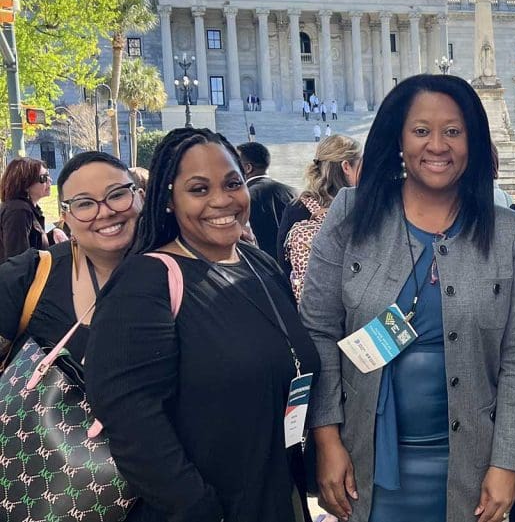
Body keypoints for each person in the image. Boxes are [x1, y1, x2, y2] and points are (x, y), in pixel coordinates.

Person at [300, 73, 515, 522]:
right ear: (399, 138)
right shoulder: (352, 215)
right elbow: (318, 330)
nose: (437, 145)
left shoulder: (508, 232)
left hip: (469, 463)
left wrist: (507, 462)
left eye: (453, 131)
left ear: (472, 142)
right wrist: (327, 440)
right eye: (421, 130)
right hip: (365, 458)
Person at [85, 127, 320, 522]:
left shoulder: (258, 264)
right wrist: (198, 508)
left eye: (233, 183)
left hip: (277, 497)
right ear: (168, 201)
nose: (221, 200)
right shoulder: (145, 284)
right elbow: (134, 425)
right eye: (198, 189)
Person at [0, 151, 143, 365]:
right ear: (66, 217)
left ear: (141, 197)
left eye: (116, 195)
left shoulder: (182, 275)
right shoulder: (27, 276)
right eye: (84, 203)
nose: (104, 212)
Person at [277, 134, 362, 299]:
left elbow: (284, 261)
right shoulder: (360, 207)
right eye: (361, 163)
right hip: (355, 311)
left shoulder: (296, 207)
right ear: (346, 166)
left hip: (311, 307)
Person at [237, 141, 298, 255]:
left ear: (248, 168)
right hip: (291, 266)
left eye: (235, 163)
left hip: (260, 264)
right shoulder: (293, 192)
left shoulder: (242, 198)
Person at [0, 157, 52, 263]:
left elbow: (34, 243)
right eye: (44, 178)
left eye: (48, 175)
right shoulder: (18, 211)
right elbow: (18, 260)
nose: (50, 181)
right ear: (25, 184)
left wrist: (52, 235)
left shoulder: (27, 208)